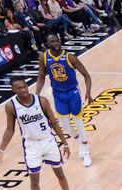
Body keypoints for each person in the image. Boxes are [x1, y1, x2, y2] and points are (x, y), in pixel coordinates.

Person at [0, 75, 79, 190]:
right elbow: (10, 129)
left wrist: (65, 143)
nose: (24, 89)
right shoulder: (10, 106)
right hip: (31, 145)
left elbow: (54, 123)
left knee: (60, 174)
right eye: (19, 88)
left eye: (25, 86)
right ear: (13, 90)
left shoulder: (42, 101)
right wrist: (1, 149)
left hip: (48, 141)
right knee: (34, 179)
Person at [35, 32, 93, 167]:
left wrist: (88, 93)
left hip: (73, 93)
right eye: (52, 42)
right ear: (48, 44)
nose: (55, 44)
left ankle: (85, 152)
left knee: (78, 122)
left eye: (56, 41)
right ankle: (80, 141)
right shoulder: (44, 57)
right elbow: (41, 76)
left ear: (59, 41)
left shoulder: (70, 57)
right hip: (58, 94)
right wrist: (37, 94)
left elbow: (86, 75)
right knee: (65, 125)